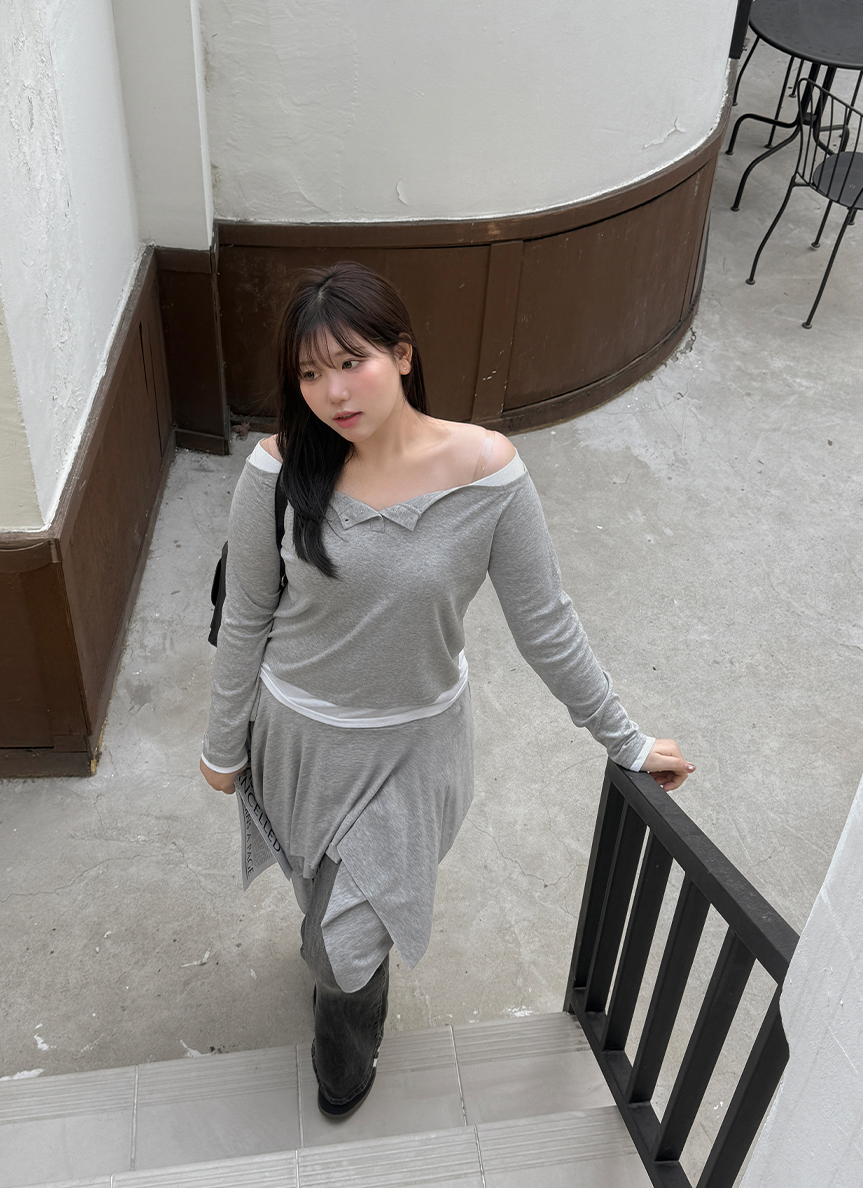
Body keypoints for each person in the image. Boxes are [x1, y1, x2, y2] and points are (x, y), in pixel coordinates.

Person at [200, 261, 694, 1119]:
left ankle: (344, 1061)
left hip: (412, 751)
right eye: (309, 374)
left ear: (402, 354)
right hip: (298, 739)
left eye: (350, 361)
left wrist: (627, 740)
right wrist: (221, 742)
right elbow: (246, 615)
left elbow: (547, 627)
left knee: (348, 943)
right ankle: (331, 969)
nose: (331, 392)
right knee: (320, 900)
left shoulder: (487, 474)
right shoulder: (276, 472)